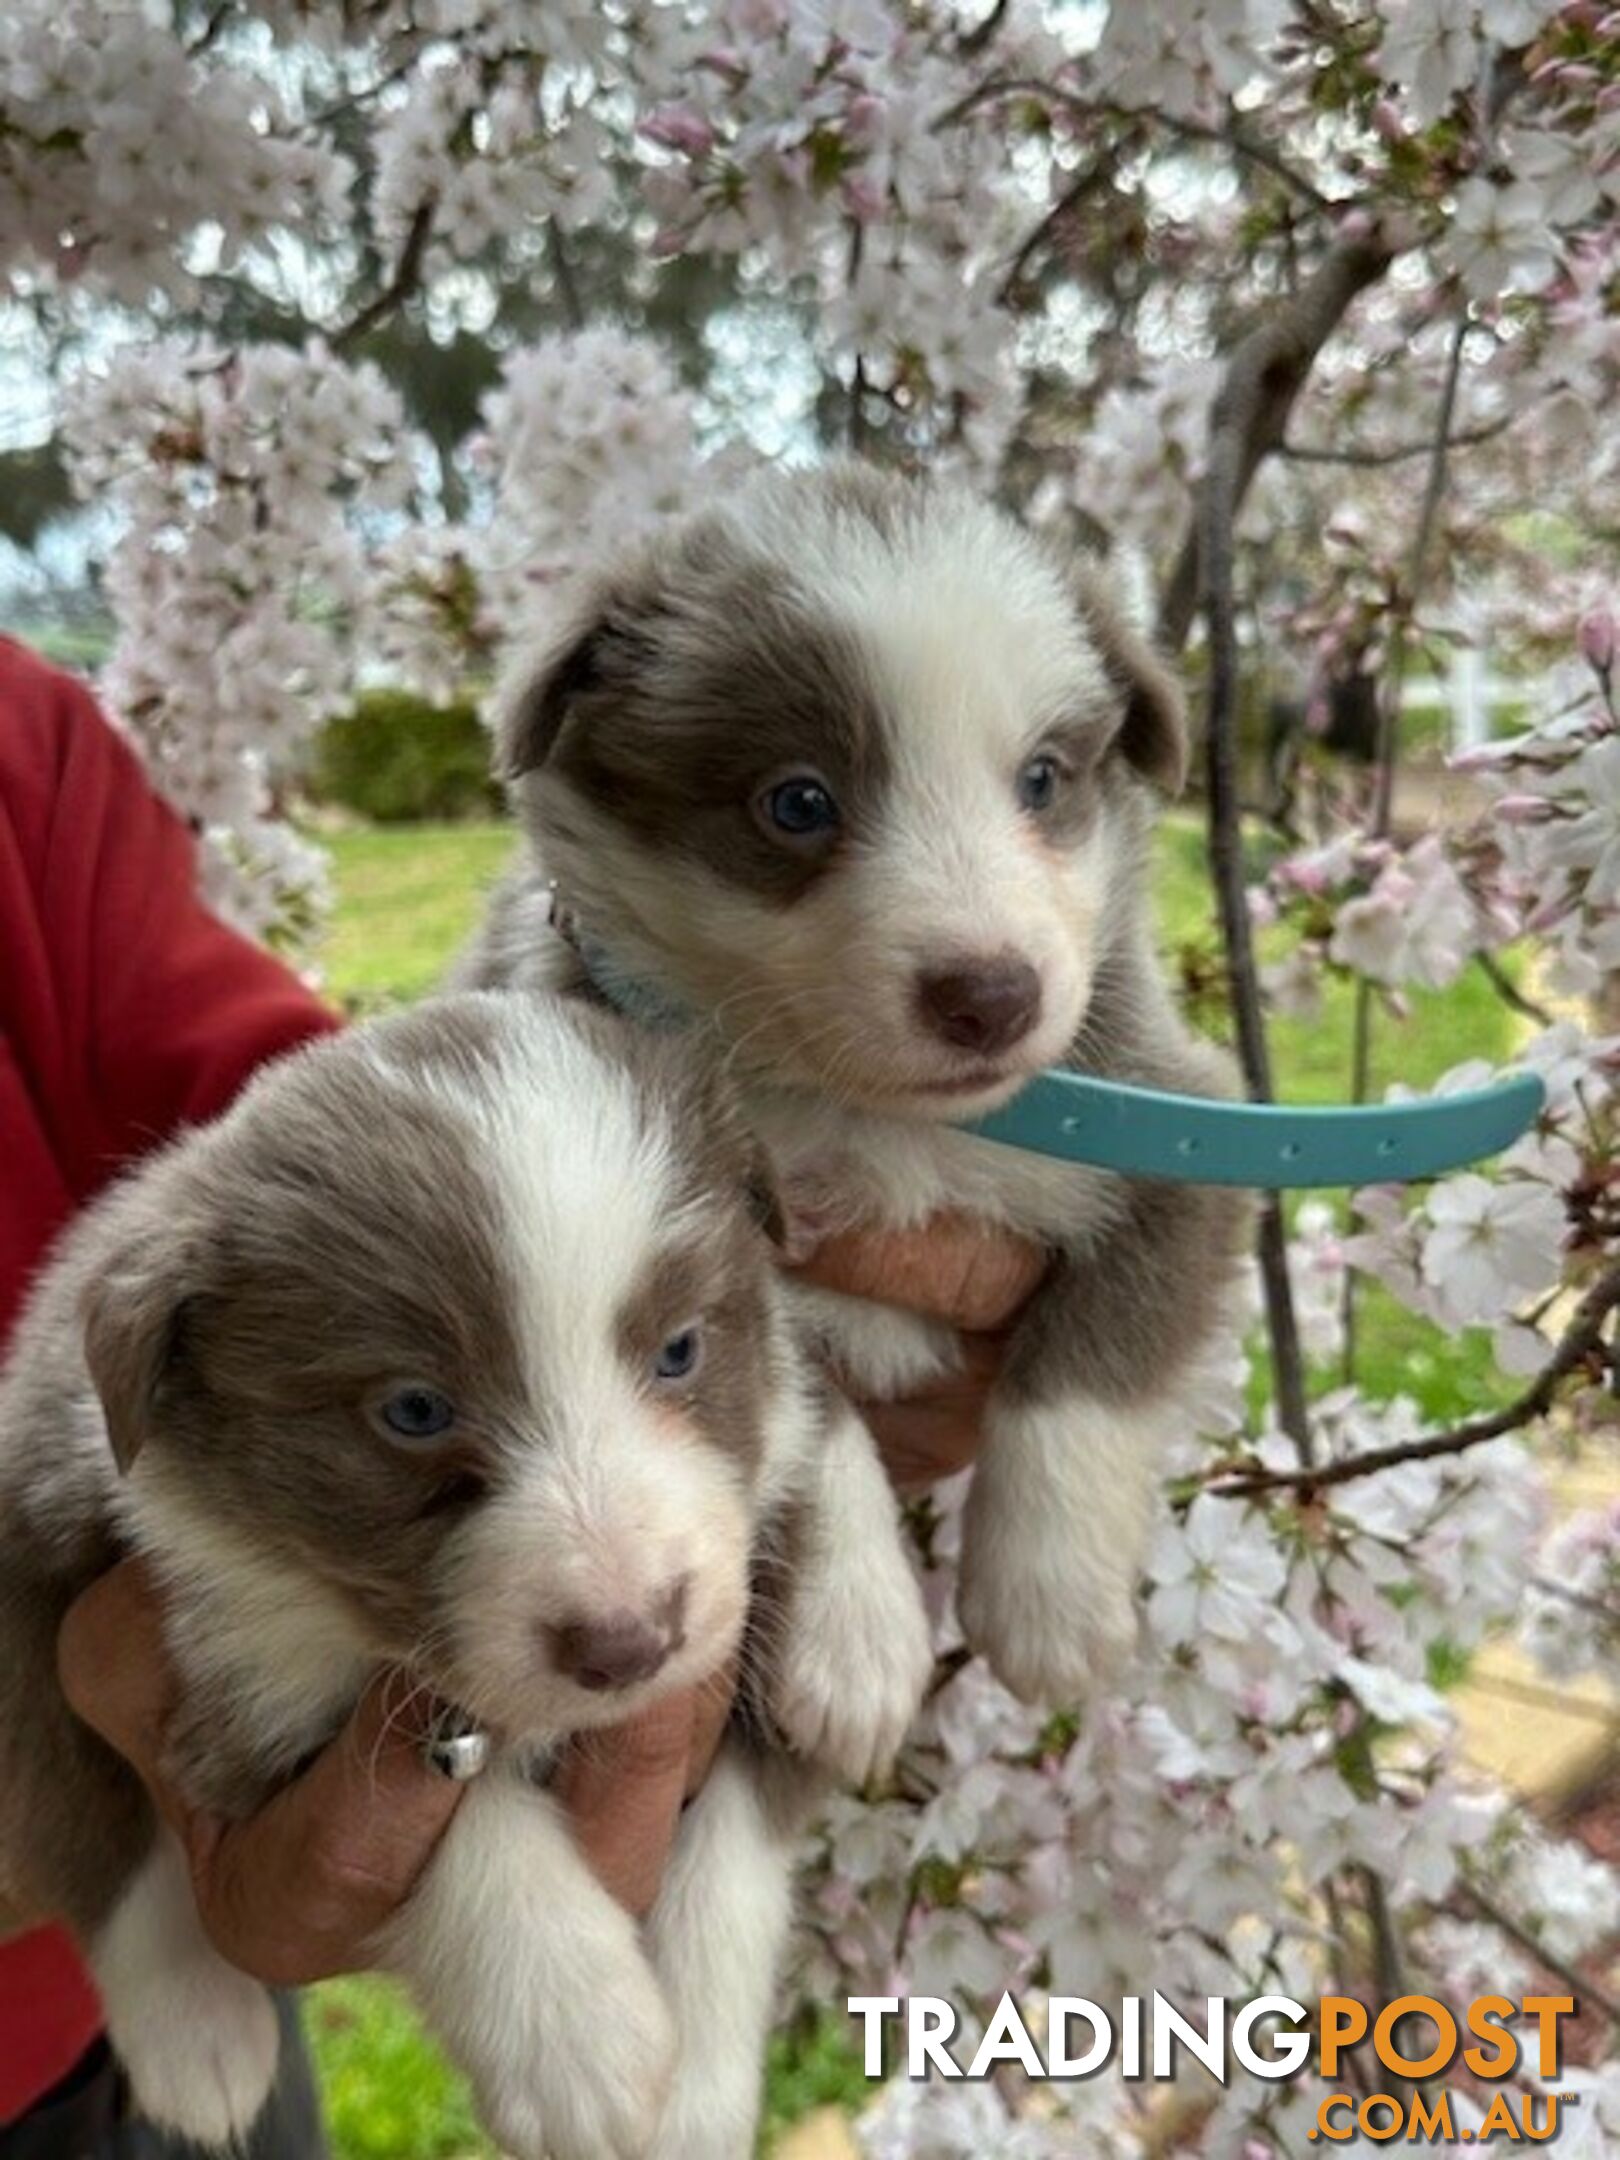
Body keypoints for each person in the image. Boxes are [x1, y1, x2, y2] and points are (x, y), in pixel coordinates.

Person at [0, 636, 1043, 2155]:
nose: (620, 1611)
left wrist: (834, 1476)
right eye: (421, 1424)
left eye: (674, 1358)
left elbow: (337, 1127)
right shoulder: (175, 1425)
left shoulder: (20, 737)